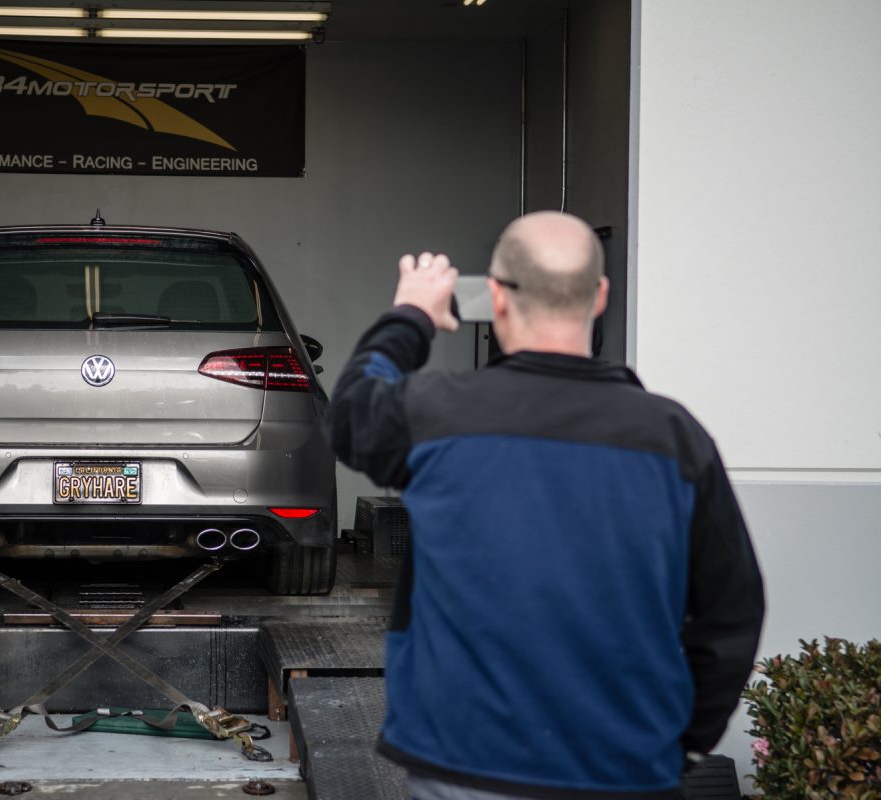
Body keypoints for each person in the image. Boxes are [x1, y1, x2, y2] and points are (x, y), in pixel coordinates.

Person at [324, 211, 765, 799]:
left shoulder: (437, 415)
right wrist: (682, 739)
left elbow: (351, 411)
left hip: (464, 767)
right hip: (629, 771)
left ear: (498, 299)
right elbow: (733, 610)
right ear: (600, 295)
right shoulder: (675, 438)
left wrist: (410, 316)